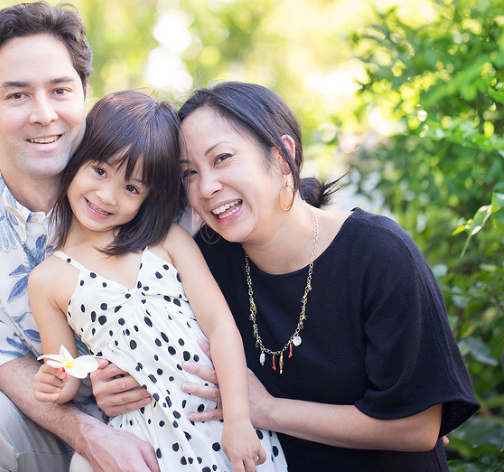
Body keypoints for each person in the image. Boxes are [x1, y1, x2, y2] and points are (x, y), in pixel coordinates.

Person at [0, 1, 160, 472]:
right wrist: (90, 433)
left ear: (84, 93)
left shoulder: (138, 174)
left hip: (154, 414)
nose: (44, 115)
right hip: (32, 419)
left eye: (60, 90)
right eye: (17, 96)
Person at [169, 81, 480, 471]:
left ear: (283, 155)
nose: (206, 186)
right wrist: (117, 390)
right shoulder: (207, 260)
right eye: (189, 174)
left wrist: (267, 410)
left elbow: (419, 427)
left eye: (222, 158)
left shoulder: (379, 253)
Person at [28, 90, 287, 472]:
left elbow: (220, 326)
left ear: (147, 197)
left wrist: (238, 420)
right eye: (99, 170)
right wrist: (53, 382)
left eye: (131, 188)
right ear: (77, 160)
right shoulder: (48, 279)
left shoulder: (165, 241)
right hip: (146, 439)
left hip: (217, 421)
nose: (106, 195)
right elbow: (67, 373)